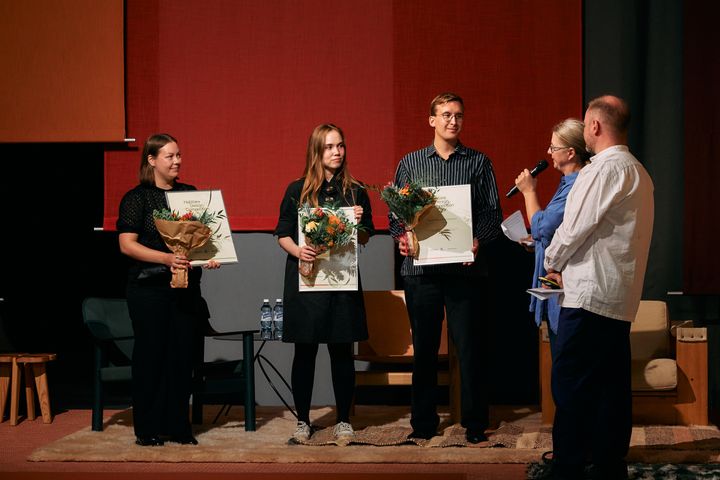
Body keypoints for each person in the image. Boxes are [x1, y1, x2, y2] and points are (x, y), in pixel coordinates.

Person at [541, 96, 654, 480]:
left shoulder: (602, 170)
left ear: (593, 127)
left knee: (570, 382)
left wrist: (551, 261)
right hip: (619, 296)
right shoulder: (639, 172)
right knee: (611, 386)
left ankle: (568, 465)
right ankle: (607, 462)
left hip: (589, 295)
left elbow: (574, 226)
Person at [389, 92, 503, 444]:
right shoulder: (410, 163)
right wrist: (402, 237)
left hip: (465, 270)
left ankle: (474, 423)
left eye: (459, 115)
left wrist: (478, 241)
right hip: (421, 271)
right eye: (446, 114)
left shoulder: (478, 162)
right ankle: (422, 424)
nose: (453, 120)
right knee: (424, 349)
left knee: (469, 347)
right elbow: (396, 213)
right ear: (432, 120)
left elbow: (492, 213)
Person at [117, 133, 220, 447]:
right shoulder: (137, 198)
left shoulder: (189, 194)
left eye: (179, 155)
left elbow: (201, 240)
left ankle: (178, 426)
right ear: (151, 160)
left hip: (184, 290)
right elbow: (126, 245)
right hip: (148, 290)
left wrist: (210, 256)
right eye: (170, 156)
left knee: (181, 358)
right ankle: (146, 428)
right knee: (151, 358)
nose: (177, 161)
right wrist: (165, 258)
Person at [274, 123, 374, 442]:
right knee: (304, 353)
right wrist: (298, 249)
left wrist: (358, 225)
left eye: (341, 146)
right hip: (307, 281)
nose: (337, 152)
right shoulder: (297, 189)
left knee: (341, 352)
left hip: (342, 280)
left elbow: (366, 238)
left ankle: (344, 419)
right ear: (317, 151)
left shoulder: (355, 191)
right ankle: (303, 421)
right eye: (330, 147)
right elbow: (282, 234)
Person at [513, 119, 590, 355]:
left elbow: (542, 227)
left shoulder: (578, 185)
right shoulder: (566, 182)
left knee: (566, 361)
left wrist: (529, 192)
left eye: (554, 148)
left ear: (570, 152)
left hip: (568, 288)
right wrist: (536, 244)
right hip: (555, 285)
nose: (549, 152)